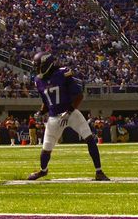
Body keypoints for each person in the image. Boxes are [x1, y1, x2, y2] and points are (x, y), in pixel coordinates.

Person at [24, 51, 109, 181]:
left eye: (38, 66)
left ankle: (99, 172)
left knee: (89, 138)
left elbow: (79, 95)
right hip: (54, 117)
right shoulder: (38, 81)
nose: (37, 69)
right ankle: (43, 171)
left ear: (47, 64)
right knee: (46, 148)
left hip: (71, 112)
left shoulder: (63, 73)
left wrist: (69, 112)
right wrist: (40, 112)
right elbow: (46, 102)